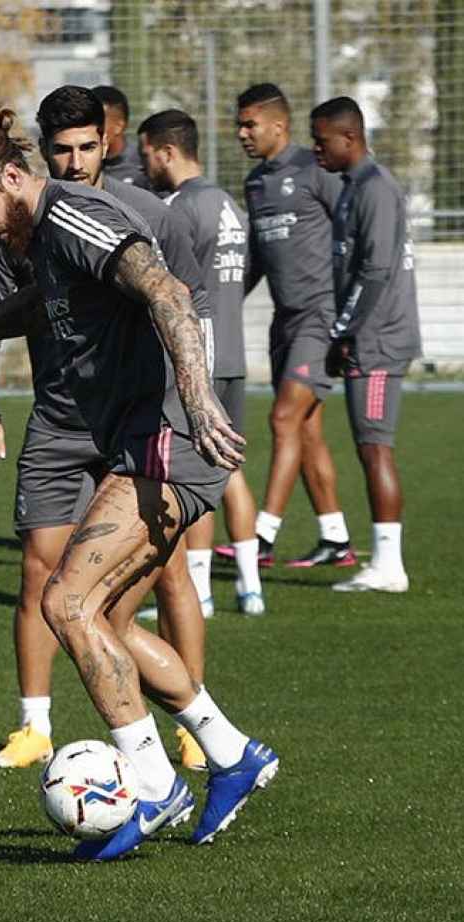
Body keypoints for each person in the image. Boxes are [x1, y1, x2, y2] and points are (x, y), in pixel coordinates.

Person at [0, 109, 278, 861]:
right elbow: (40, 308)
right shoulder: (42, 236)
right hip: (145, 443)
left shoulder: (73, 216)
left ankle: (152, 783)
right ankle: (233, 752)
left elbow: (170, 294)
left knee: (65, 601)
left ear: (11, 178)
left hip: (170, 443)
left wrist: (200, 399)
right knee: (105, 622)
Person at [0, 87, 213, 772]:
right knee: (47, 579)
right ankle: (36, 726)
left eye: (86, 147)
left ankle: (186, 743)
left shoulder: (137, 215)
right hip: (63, 420)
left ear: (110, 142)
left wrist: (199, 402)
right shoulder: (18, 228)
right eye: (61, 149)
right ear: (40, 155)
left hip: (140, 423)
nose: (74, 162)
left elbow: (181, 300)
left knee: (156, 582)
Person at [139, 109, 265, 615]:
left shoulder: (178, 208)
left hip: (200, 356)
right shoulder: (227, 203)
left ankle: (202, 592)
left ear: (166, 152)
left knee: (194, 471)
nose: (144, 164)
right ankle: (250, 587)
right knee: (229, 468)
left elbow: (170, 287)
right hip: (233, 351)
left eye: (147, 154)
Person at [237, 83, 356, 567]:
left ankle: (261, 536)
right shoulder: (256, 183)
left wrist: (351, 316)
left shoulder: (316, 170)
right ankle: (336, 538)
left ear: (279, 125)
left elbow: (353, 233)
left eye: (250, 124)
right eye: (238, 124)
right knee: (305, 431)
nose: (241, 133)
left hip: (320, 318)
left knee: (283, 418)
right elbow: (256, 262)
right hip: (284, 323)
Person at [312, 97, 421, 592]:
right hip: (366, 337)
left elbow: (376, 271)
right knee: (366, 446)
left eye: (322, 140)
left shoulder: (376, 190)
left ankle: (389, 566)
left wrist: (345, 331)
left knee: (375, 446)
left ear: (349, 138)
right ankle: (383, 561)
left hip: (378, 341)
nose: (316, 149)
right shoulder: (352, 188)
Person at [92, 84, 154, 193]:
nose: (89, 129)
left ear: (118, 126)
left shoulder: (144, 163)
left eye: (97, 123)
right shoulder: (80, 164)